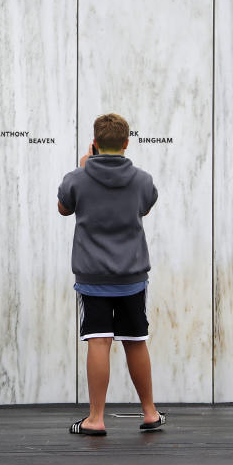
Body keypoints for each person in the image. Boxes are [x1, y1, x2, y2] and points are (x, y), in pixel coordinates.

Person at [57, 113, 164, 436]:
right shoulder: (143, 180)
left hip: (93, 276)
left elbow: (64, 208)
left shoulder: (77, 177)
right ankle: (150, 413)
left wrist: (83, 166)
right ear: (126, 143)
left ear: (95, 142)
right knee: (135, 341)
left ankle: (96, 418)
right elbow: (143, 208)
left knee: (99, 341)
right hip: (131, 275)